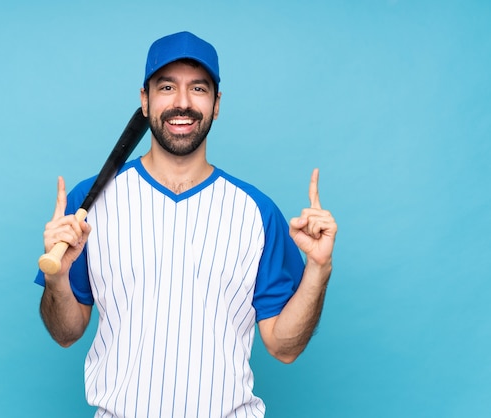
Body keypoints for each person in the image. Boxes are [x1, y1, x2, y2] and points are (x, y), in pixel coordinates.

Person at [35, 31, 337, 418]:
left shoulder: (257, 212)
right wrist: (57, 278)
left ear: (216, 105)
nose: (182, 102)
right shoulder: (88, 205)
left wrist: (318, 269)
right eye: (166, 87)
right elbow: (66, 334)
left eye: (198, 88)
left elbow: (284, 347)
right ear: (144, 101)